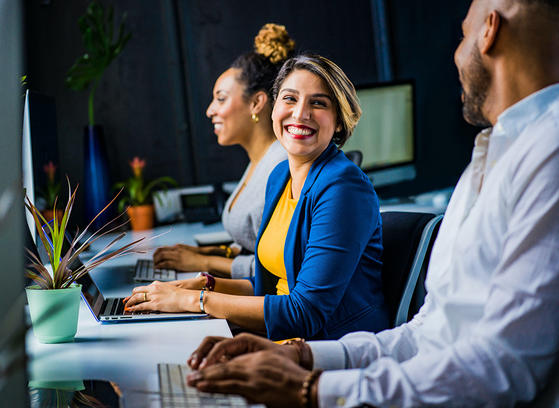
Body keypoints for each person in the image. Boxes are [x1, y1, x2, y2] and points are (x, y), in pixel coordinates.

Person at [185, 0, 559, 406]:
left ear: (489, 30)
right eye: (289, 99)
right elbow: (427, 334)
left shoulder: (548, 153)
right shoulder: (492, 155)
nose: (456, 53)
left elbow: (503, 368)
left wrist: (310, 388)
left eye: (463, 34)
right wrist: (299, 356)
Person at [124, 54, 390, 341]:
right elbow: (269, 288)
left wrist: (195, 301)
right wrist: (200, 286)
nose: (300, 113)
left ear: (338, 122)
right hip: (284, 338)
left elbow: (305, 312)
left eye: (318, 103)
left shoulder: (343, 187)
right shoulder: (279, 176)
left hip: (332, 348)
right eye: (289, 99)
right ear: (274, 108)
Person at [152, 23, 291, 279]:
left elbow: (276, 270)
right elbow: (255, 245)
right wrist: (211, 253)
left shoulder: (281, 167)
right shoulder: (259, 161)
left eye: (221, 98)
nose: (210, 110)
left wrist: (203, 263)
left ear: (257, 102)